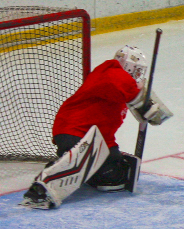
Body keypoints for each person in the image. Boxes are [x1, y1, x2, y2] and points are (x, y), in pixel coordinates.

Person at [21, 45, 170, 209]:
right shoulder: (110, 71)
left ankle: (75, 167)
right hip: (75, 131)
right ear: (128, 65)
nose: (138, 75)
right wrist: (143, 103)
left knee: (115, 178)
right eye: (137, 70)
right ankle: (43, 189)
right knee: (89, 161)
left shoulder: (122, 91)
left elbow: (106, 127)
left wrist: (113, 153)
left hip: (91, 135)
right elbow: (121, 84)